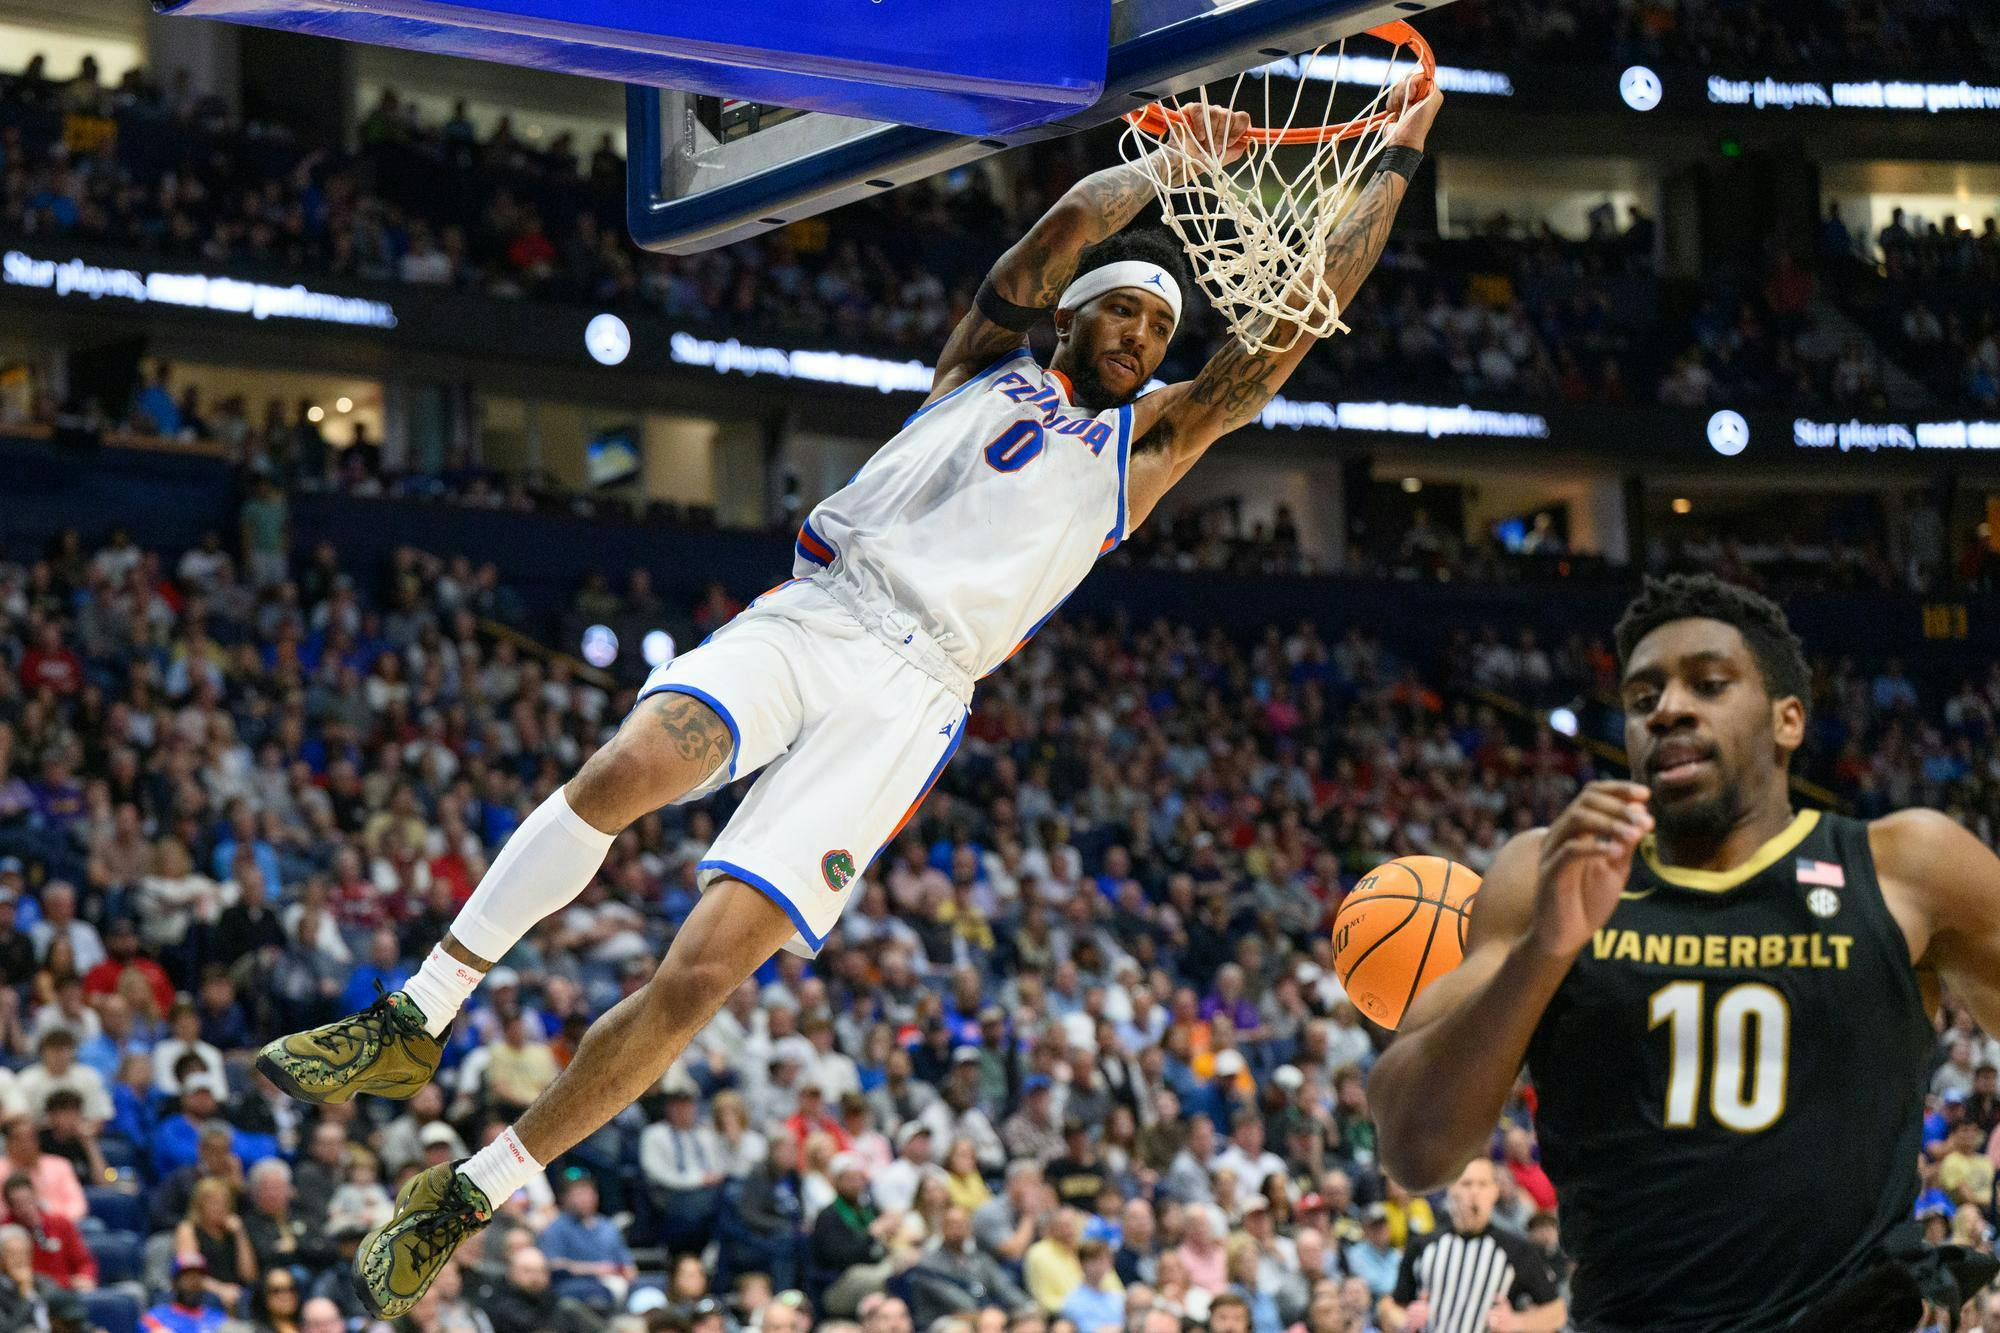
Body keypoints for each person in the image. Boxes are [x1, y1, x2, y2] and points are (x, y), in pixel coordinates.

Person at [255, 79, 1445, 1321]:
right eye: (1128, 314)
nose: (1147, 337)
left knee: (702, 975)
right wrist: (1163, 167)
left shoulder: (1144, 450)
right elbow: (1055, 235)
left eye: (1162, 326)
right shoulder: (979, 365)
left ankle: (475, 1187)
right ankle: (417, 1012)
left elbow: (1290, 330)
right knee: (620, 773)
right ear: (1073, 326)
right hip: (821, 609)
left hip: (912, 693)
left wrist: (1397, 154)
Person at [1370, 574, 2000, 1330]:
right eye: (1642, 699)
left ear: (1788, 719)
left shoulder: (1908, 865)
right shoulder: (1545, 872)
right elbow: (1413, 1147)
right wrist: (1545, 947)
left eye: (1708, 683)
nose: (1667, 709)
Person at [1373, 1159, 1562, 1333]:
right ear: (1451, 1190)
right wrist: (1405, 1319)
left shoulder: (1516, 1250)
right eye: (1466, 1183)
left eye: (1483, 1184)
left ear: (1495, 1192)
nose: (1474, 1192)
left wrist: (1517, 1323)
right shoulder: (1423, 1246)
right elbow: (1389, 1306)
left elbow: (1557, 1313)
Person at [143, 1255, 228, 1333]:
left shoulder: (219, 1319)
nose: (193, 1283)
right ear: (175, 1283)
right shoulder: (155, 1318)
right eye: (188, 1278)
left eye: (197, 1277)